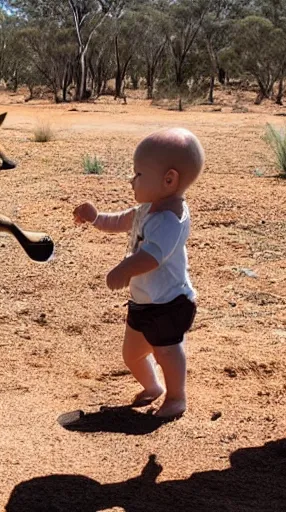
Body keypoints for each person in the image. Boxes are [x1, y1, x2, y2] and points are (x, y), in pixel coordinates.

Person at [73, 128, 205, 418]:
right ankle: (153, 387)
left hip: (168, 304)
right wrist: (96, 217)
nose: (131, 180)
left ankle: (176, 397)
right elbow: (121, 220)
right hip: (144, 302)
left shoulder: (170, 220)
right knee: (132, 354)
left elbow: (152, 257)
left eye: (138, 174)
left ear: (169, 180)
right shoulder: (148, 208)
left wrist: (124, 269)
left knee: (166, 352)